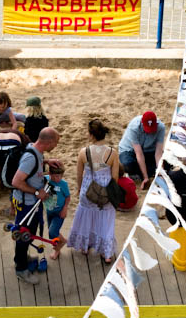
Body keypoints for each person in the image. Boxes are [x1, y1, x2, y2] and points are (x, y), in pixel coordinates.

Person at [11, 127, 61, 284]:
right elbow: (16, 181)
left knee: (26, 234)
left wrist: (45, 161)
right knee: (23, 235)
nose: (56, 145)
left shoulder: (35, 150)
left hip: (31, 203)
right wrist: (36, 192)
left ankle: (22, 258)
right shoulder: (30, 158)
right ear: (49, 142)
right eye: (56, 143)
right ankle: (21, 269)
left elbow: (33, 165)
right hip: (26, 205)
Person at [68, 120, 118, 263]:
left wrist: (79, 189)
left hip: (88, 191)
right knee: (106, 220)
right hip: (106, 193)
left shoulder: (84, 152)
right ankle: (106, 253)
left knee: (86, 217)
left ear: (91, 135)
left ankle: (85, 246)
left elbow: (79, 175)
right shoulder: (112, 153)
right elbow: (115, 177)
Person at [118, 112, 165, 190]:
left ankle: (139, 172)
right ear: (142, 123)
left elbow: (158, 153)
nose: (149, 132)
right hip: (130, 150)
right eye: (147, 129)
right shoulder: (134, 127)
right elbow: (139, 153)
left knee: (167, 163)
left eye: (152, 129)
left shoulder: (161, 127)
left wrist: (161, 173)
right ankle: (144, 172)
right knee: (127, 164)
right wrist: (145, 177)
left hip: (149, 150)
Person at [44, 164, 70, 260]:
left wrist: (65, 208)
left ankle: (59, 247)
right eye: (55, 176)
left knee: (53, 231)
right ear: (49, 174)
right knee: (52, 234)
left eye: (60, 176)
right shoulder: (45, 179)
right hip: (49, 211)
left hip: (59, 212)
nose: (57, 178)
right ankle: (61, 241)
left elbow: (68, 197)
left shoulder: (63, 184)